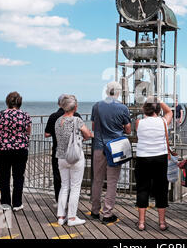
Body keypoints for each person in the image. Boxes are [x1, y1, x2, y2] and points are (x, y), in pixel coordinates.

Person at [90, 81, 131, 224]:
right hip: (115, 147)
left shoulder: (97, 106)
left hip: (99, 146)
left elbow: (94, 126)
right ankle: (107, 213)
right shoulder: (122, 108)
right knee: (112, 182)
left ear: (107, 91)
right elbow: (128, 130)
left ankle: (95, 210)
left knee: (97, 180)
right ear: (118, 92)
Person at [134, 97, 174, 231]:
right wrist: (159, 100)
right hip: (160, 158)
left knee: (142, 189)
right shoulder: (163, 122)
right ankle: (162, 222)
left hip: (143, 158)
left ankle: (141, 222)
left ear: (145, 109)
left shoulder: (139, 122)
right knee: (161, 189)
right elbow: (169, 112)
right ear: (157, 109)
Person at [55, 95, 93, 226]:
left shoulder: (58, 120)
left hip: (61, 157)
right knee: (75, 187)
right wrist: (85, 137)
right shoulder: (77, 120)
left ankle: (61, 216)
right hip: (75, 157)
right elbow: (87, 134)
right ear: (75, 107)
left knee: (64, 186)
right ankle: (72, 218)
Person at [0, 92, 32, 212]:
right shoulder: (25, 115)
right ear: (19, 102)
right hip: (20, 150)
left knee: (4, 178)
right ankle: (17, 203)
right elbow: (28, 131)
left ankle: (5, 203)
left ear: (7, 102)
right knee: (18, 177)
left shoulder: (1, 114)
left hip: (2, 150)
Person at [45, 94, 82, 204]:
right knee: (74, 179)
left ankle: (59, 201)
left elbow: (47, 134)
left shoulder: (53, 116)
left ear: (59, 104)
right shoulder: (77, 115)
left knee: (58, 177)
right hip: (74, 151)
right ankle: (71, 201)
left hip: (58, 150)